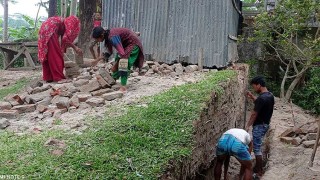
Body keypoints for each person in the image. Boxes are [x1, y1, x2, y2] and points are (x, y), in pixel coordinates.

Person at [91, 26, 144, 92]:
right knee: (117, 59)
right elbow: (109, 52)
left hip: (133, 44)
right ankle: (113, 79)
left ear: (101, 35)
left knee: (123, 63)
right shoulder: (107, 36)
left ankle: (123, 87)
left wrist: (115, 65)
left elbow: (122, 53)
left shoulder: (112, 37)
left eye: (97, 39)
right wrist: (98, 60)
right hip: (126, 45)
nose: (96, 41)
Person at [245, 76, 275, 178]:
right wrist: (252, 96)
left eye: (254, 87)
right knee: (257, 146)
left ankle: (259, 172)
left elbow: (254, 114)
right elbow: (260, 102)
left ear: (259, 85)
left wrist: (247, 126)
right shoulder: (269, 95)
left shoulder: (262, 98)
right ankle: (258, 169)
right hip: (265, 124)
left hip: (259, 126)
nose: (254, 89)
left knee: (257, 149)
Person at [38, 15, 82, 82]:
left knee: (48, 54)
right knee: (55, 55)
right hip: (50, 30)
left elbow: (63, 40)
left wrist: (63, 49)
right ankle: (58, 77)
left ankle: (48, 77)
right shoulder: (69, 24)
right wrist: (75, 48)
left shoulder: (64, 22)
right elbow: (65, 39)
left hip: (44, 28)